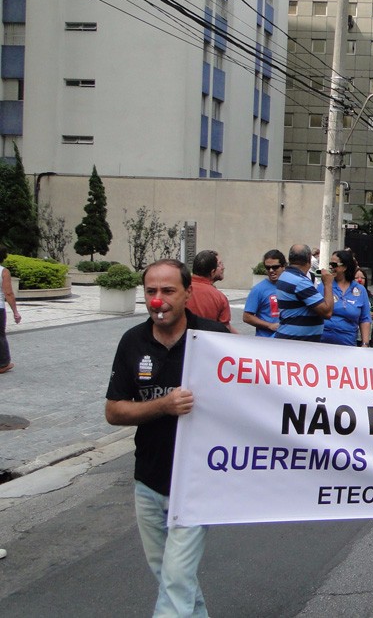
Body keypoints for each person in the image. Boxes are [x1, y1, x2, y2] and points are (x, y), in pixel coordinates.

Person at [105, 259, 228, 616]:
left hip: (195, 483)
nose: (158, 300)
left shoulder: (212, 339)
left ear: (188, 293)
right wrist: (164, 405)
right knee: (172, 577)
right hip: (148, 481)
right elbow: (114, 411)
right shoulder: (132, 341)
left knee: (175, 579)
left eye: (168, 291)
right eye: (151, 291)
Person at [275, 244, 334, 342]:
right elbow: (327, 312)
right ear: (309, 260)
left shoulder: (285, 275)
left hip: (289, 337)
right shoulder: (300, 282)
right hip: (297, 342)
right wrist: (328, 284)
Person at [320, 250, 372, 346]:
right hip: (322, 343)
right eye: (330, 264)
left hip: (348, 344)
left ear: (344, 267)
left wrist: (365, 343)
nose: (330, 267)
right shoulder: (324, 285)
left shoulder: (360, 290)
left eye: (334, 264)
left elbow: (365, 318)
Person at [186, 249, 238, 333]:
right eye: (219, 264)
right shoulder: (219, 297)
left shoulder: (180, 288)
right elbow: (225, 330)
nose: (223, 267)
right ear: (212, 272)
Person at [242, 249, 286, 337]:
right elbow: (247, 316)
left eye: (275, 267)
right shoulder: (258, 289)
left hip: (286, 339)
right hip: (265, 341)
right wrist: (269, 325)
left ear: (283, 266)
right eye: (268, 267)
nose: (271, 270)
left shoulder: (290, 286)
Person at [0, 246, 22, 373]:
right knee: (0, 336)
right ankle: (3, 364)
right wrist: (15, 312)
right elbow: (8, 293)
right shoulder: (3, 272)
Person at [354, 268, 373, 346]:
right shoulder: (349, 294)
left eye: (362, 278)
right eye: (356, 278)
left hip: (368, 334)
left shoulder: (370, 296)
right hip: (353, 334)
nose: (359, 280)